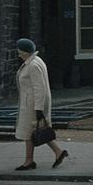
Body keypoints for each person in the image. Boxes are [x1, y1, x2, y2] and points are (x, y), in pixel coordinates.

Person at [14, 38, 68, 170]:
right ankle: (58, 152)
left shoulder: (32, 65)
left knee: (29, 132)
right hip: (31, 102)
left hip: (32, 104)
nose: (18, 54)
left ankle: (29, 161)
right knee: (39, 130)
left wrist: (38, 109)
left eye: (20, 51)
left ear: (25, 52)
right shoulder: (35, 61)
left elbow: (39, 88)